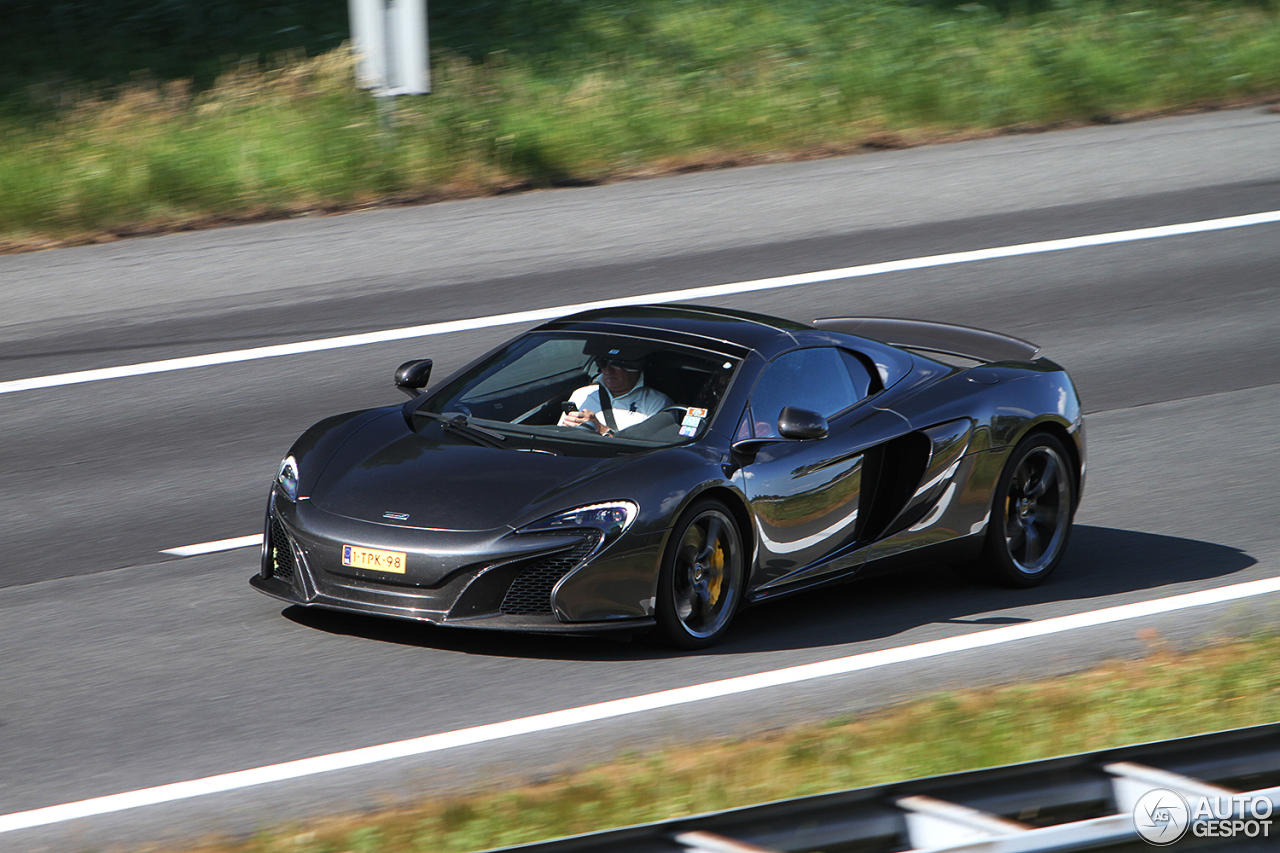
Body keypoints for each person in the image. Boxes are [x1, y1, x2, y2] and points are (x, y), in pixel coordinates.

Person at [557, 356, 672, 436]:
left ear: (633, 366)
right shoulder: (582, 394)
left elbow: (648, 452)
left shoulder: (657, 402)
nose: (608, 371)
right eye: (603, 364)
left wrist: (601, 429)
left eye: (616, 364)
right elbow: (560, 433)